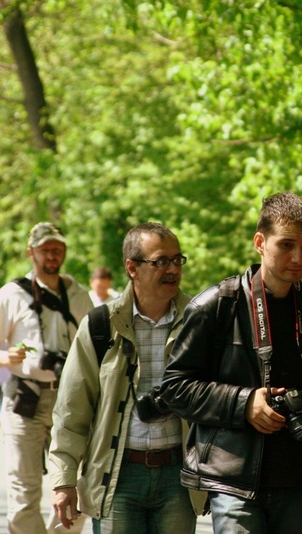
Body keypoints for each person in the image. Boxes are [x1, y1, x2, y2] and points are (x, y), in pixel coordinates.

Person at [160, 192, 302, 534]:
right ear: (260, 242)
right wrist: (244, 403)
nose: (299, 257)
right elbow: (175, 387)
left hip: (300, 476)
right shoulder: (215, 306)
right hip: (233, 478)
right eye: (287, 245)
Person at [49, 222, 204, 533]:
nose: (172, 269)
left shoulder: (199, 320)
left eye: (177, 260)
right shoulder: (100, 325)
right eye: (160, 261)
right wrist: (64, 480)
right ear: (132, 267)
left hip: (179, 475)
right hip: (117, 475)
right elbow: (71, 411)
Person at [0, 222, 93, 534]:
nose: (52, 256)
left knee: (79, 486)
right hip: (25, 399)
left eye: (57, 249)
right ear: (31, 253)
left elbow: (97, 346)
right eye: (45, 250)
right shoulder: (11, 294)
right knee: (23, 492)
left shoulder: (78, 294)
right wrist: (8, 358)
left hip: (70, 400)